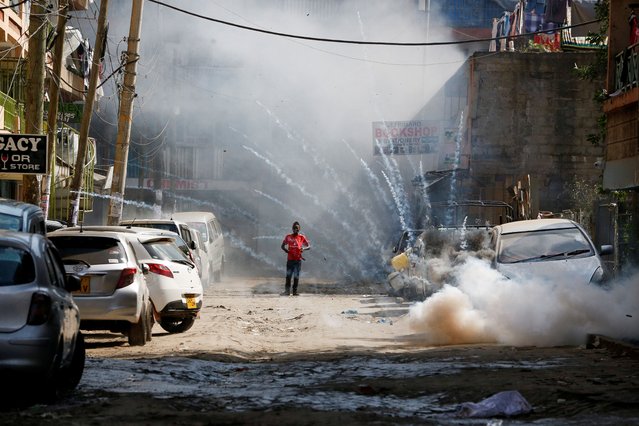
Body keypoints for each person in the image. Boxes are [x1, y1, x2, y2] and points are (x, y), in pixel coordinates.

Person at [280, 221, 310, 296]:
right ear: (292, 229)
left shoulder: (301, 237)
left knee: (296, 276)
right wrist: (286, 250)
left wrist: (304, 248)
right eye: (294, 228)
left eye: (297, 228)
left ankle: (294, 292)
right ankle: (287, 291)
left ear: (299, 229)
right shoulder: (288, 237)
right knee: (288, 276)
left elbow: (309, 246)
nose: (295, 229)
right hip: (290, 260)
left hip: (298, 260)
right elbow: (282, 246)